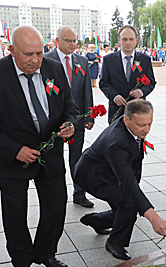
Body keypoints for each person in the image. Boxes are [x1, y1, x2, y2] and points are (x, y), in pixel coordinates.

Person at [0, 25, 78, 267]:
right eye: (28, 54)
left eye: (39, 54)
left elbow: (69, 105)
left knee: (55, 206)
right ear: (11, 50)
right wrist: (14, 149)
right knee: (15, 212)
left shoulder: (53, 68)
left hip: (50, 155)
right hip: (12, 160)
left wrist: (70, 123)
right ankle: (21, 261)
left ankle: (45, 252)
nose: (35, 61)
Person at [74, 100, 166, 259]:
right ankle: (115, 243)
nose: (146, 130)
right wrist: (154, 218)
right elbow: (128, 182)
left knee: (125, 205)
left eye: (149, 124)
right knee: (129, 203)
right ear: (127, 120)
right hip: (93, 176)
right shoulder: (117, 142)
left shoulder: (129, 126)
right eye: (141, 125)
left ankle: (98, 221)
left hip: (108, 170)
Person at [44, 25, 95, 209]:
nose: (73, 44)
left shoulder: (81, 61)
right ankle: (54, 194)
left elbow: (86, 90)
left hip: (77, 119)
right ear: (57, 41)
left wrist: (89, 116)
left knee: (77, 157)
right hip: (53, 121)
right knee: (54, 157)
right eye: (69, 41)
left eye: (75, 40)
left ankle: (79, 192)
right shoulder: (45, 60)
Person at [100, 25, 156, 123]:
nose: (128, 42)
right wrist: (114, 96)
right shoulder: (108, 60)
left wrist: (142, 91)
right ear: (119, 40)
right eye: (124, 39)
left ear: (136, 40)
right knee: (116, 138)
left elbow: (151, 82)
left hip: (138, 111)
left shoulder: (145, 60)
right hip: (116, 110)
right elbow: (103, 83)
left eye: (131, 39)